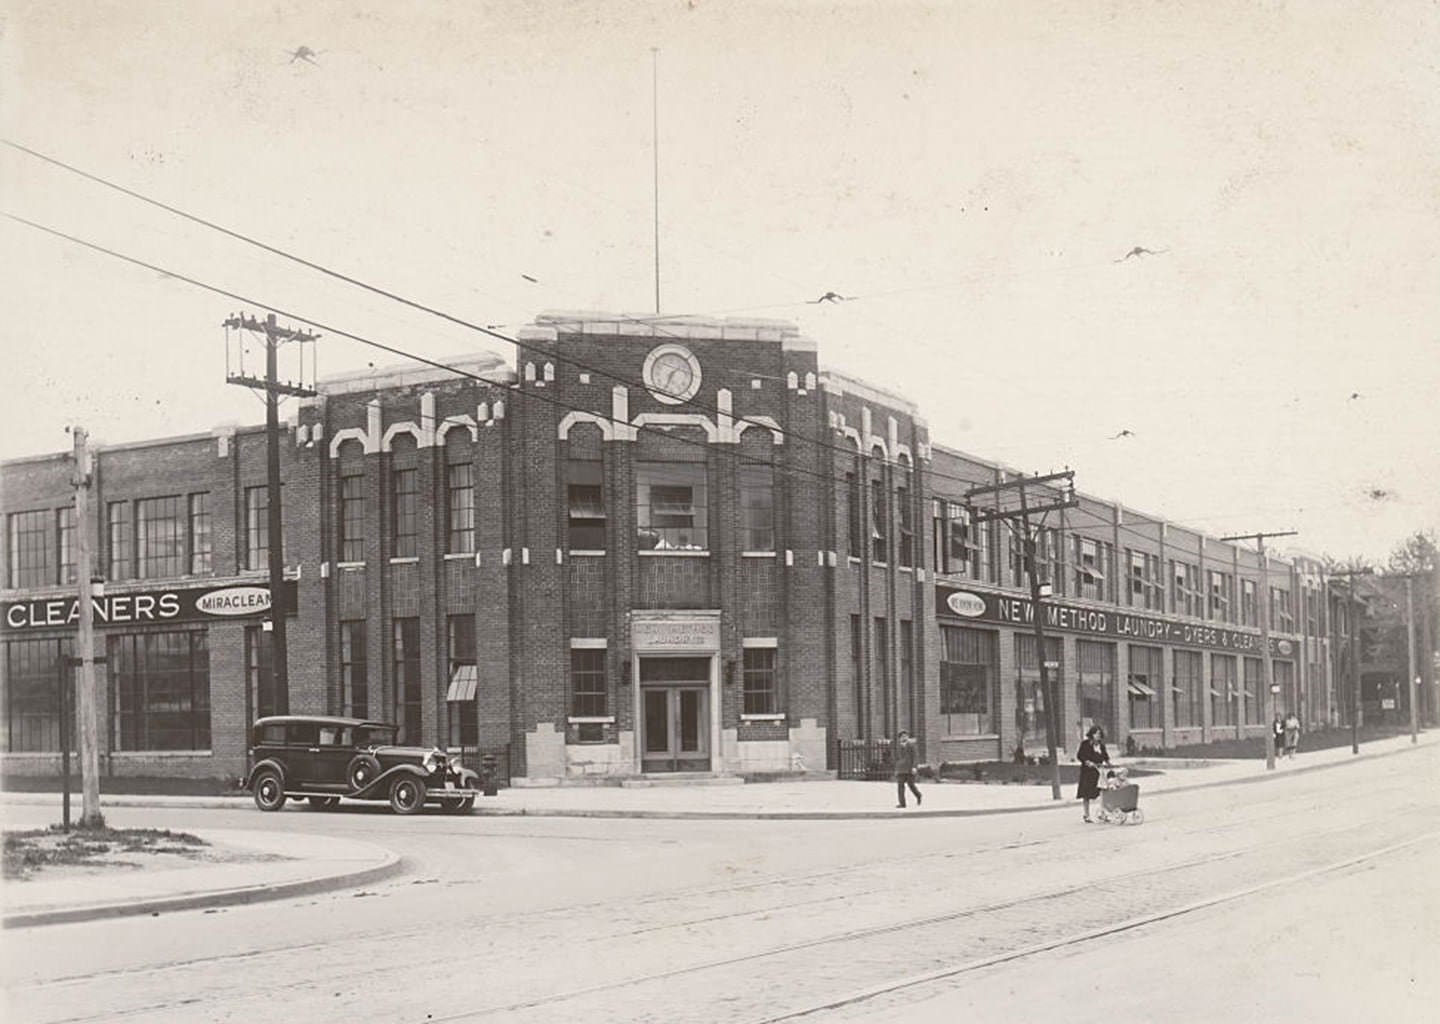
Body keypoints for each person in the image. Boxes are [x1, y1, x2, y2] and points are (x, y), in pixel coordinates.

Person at [1076, 725, 1111, 822]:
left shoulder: (1101, 745)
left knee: (1103, 792)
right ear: (1092, 734)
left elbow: (1105, 756)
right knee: (1086, 793)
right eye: (1096, 733)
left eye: (1099, 733)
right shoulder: (1085, 744)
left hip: (1099, 771)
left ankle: (1103, 813)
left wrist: (1109, 764)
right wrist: (1087, 761)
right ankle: (1086, 815)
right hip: (1088, 772)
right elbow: (1080, 755)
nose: (1098, 735)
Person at [894, 729, 921, 808]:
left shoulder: (912, 745)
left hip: (909, 769)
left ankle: (918, 795)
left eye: (905, 736)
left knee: (911, 785)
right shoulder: (898, 747)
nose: (904, 738)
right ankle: (902, 803)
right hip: (900, 769)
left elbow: (915, 757)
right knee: (900, 786)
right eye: (902, 737)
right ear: (899, 738)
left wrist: (914, 767)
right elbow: (896, 759)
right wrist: (896, 769)